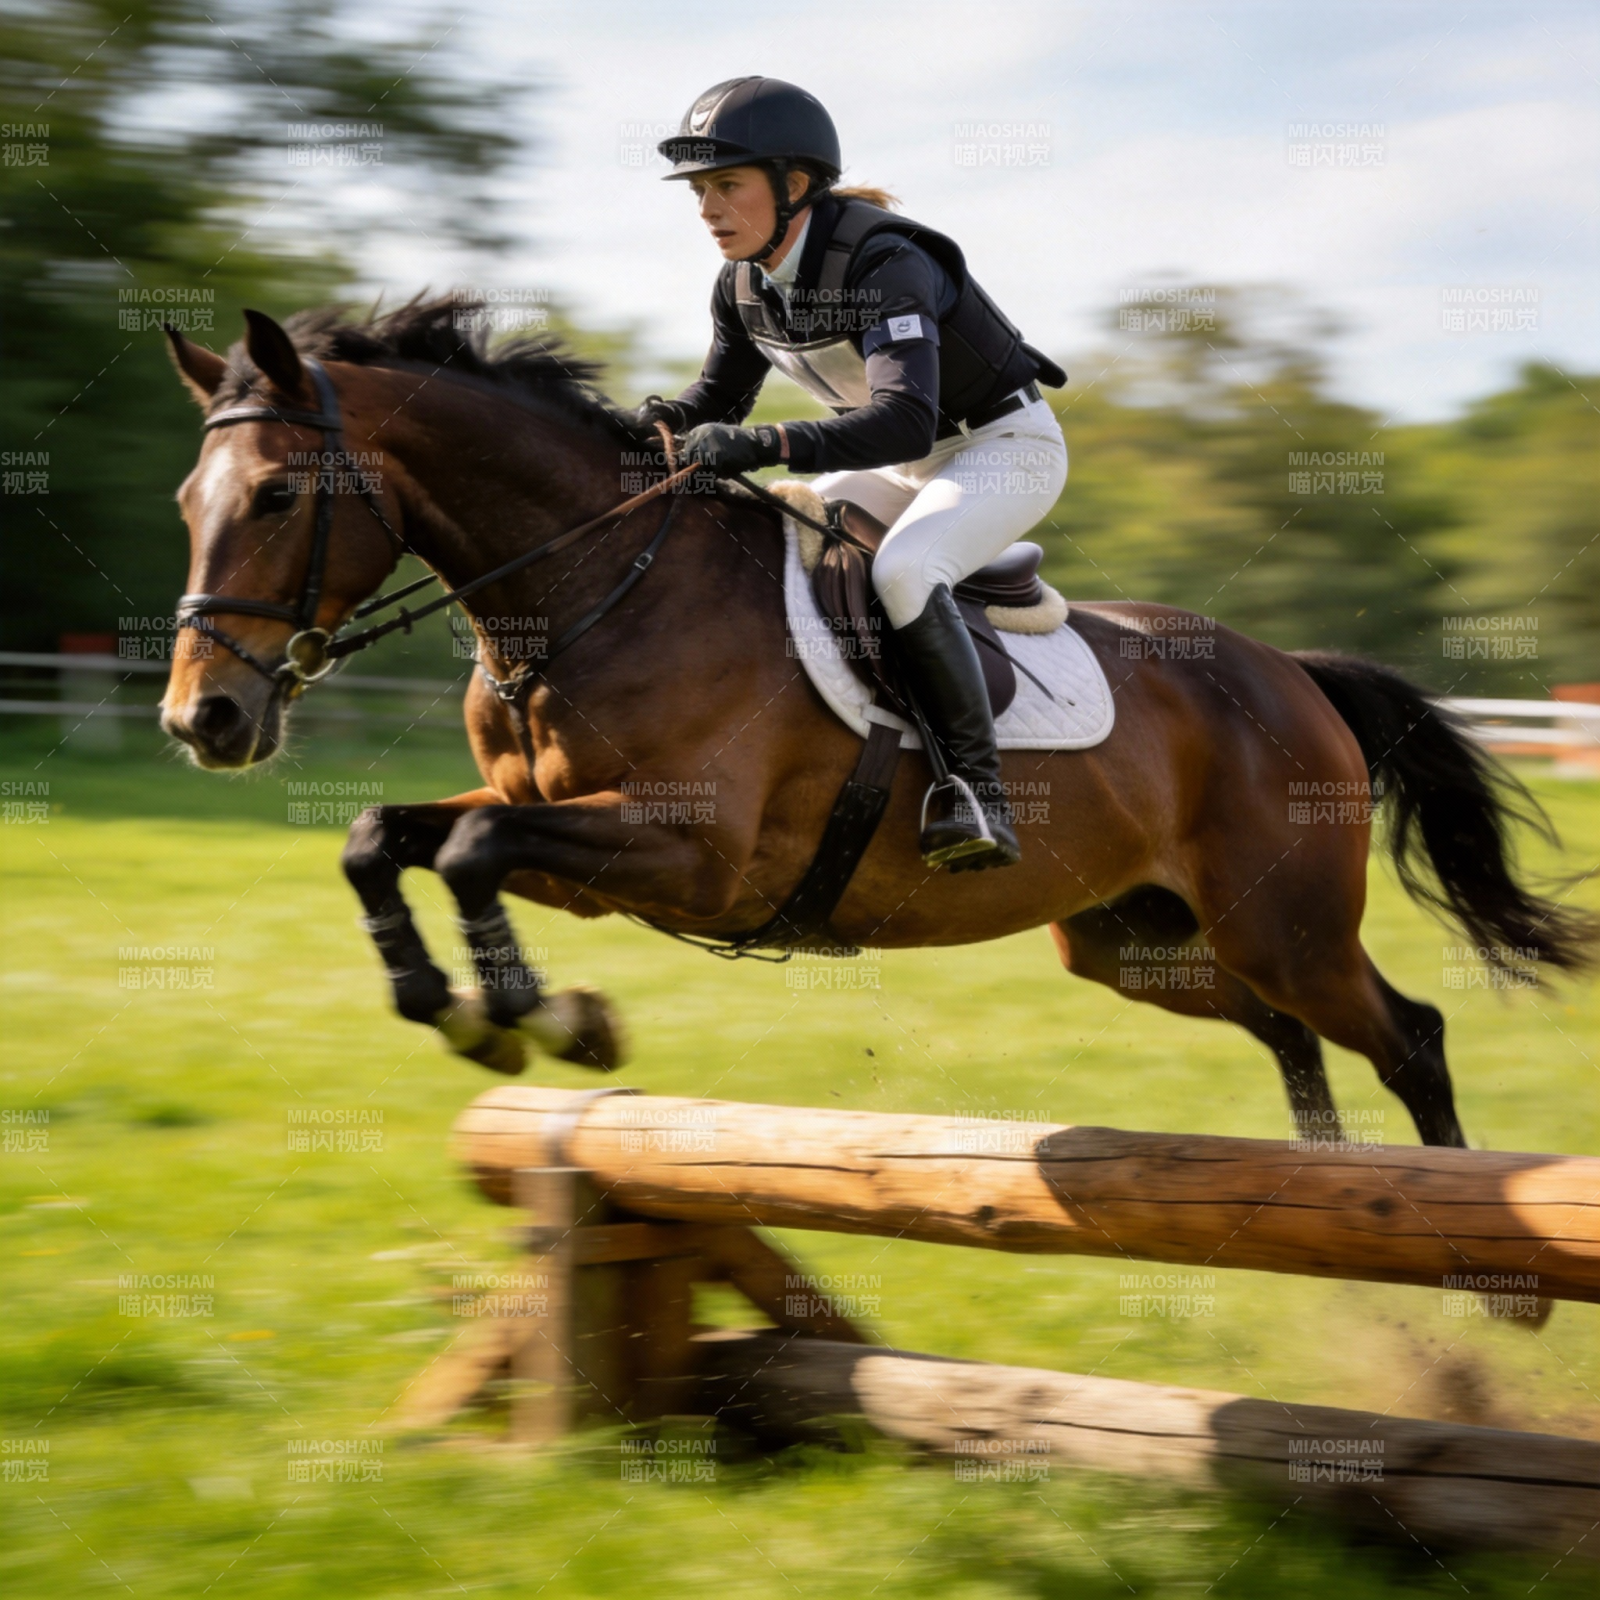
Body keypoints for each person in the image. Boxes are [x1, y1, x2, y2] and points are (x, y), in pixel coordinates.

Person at [641, 76, 1067, 871]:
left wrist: (762, 440)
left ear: (793, 184)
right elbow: (717, 398)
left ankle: (976, 794)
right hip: (896, 461)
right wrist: (649, 425)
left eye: (727, 186)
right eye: (700, 190)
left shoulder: (884, 260)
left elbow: (904, 416)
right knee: (765, 539)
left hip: (1002, 447)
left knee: (906, 571)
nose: (706, 209)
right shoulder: (742, 284)